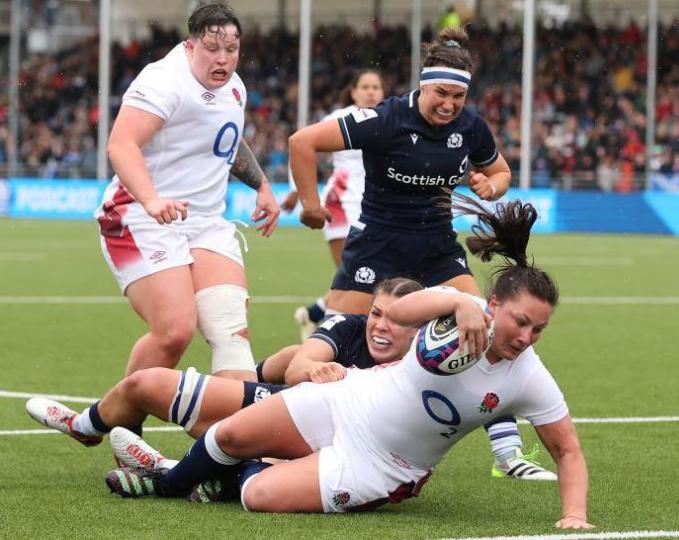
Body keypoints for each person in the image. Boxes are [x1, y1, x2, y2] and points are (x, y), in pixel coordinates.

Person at [102, 196, 593, 529]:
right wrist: (457, 302)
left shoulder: (529, 376)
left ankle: (201, 473)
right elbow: (396, 310)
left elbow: (567, 451)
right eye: (521, 322)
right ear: (494, 304)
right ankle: (170, 482)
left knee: (259, 497)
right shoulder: (450, 309)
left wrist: (574, 515)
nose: (527, 338)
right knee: (228, 433)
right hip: (346, 400)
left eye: (539, 330)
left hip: (381, 465)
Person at [27, 278, 557, 482]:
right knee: (146, 385)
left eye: (395, 319)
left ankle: (170, 471)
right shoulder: (348, 327)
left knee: (262, 468)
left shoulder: (430, 364)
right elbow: (295, 361)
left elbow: (486, 402)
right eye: (375, 313)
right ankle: (85, 424)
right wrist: (313, 369)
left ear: (424, 331)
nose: (380, 325)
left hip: (338, 444)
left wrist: (509, 457)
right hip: (286, 402)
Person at [96, 3, 279, 384]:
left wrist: (261, 184)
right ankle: (113, 420)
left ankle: (231, 441)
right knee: (175, 331)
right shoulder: (163, 81)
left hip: (207, 223)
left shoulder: (234, 87)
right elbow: (121, 144)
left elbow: (225, 141)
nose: (224, 59)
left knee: (232, 335)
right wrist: (151, 199)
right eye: (213, 49)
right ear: (191, 46)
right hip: (141, 217)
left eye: (232, 50)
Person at [287, 26, 510, 318]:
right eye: (441, 93)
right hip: (378, 243)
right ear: (423, 85)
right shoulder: (385, 119)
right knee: (339, 344)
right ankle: (262, 367)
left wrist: (491, 187)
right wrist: (311, 205)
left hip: (437, 248)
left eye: (459, 96)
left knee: (482, 324)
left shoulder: (470, 125)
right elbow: (301, 142)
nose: (449, 105)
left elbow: (502, 173)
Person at [282, 70, 386, 341]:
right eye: (365, 87)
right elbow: (301, 143)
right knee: (357, 277)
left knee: (366, 275)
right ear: (353, 92)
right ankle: (336, 338)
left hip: (374, 206)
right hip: (341, 202)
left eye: (376, 87)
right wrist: (298, 192)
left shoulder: (389, 118)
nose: (371, 92)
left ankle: (315, 315)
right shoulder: (341, 118)